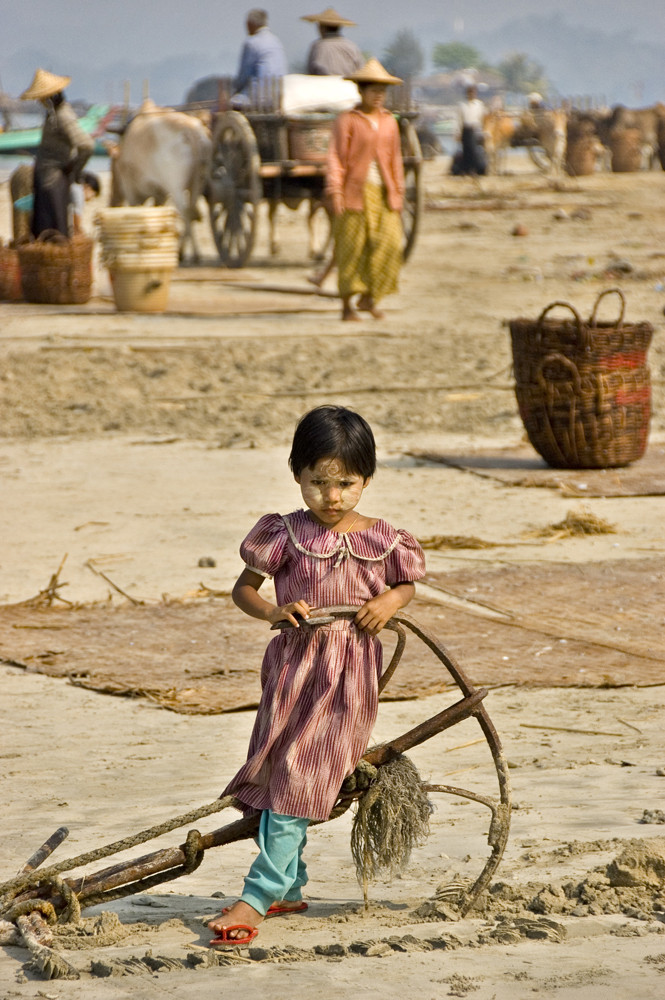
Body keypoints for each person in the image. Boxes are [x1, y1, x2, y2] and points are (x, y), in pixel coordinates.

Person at [207, 405, 425, 947]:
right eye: (318, 483)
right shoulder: (282, 533)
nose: (332, 497)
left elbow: (407, 584)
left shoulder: (385, 539)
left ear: (367, 479)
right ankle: (290, 886)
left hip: (348, 676)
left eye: (346, 483)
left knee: (302, 777)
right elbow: (244, 589)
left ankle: (257, 896)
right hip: (292, 669)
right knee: (282, 770)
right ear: (297, 475)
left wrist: (390, 602)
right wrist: (271, 613)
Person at [326, 58, 405, 322]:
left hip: (383, 193)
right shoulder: (347, 121)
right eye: (374, 91)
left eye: (382, 92)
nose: (379, 96)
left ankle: (370, 297)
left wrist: (399, 192)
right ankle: (347, 306)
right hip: (354, 193)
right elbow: (336, 157)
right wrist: (335, 190)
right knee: (352, 247)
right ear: (361, 92)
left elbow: (395, 159)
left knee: (389, 244)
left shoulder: (390, 122)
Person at [20, 68, 94, 239]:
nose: (39, 101)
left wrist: (73, 171)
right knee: (42, 228)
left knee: (53, 229)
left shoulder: (63, 116)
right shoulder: (53, 115)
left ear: (49, 98)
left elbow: (86, 145)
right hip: (46, 180)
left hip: (53, 183)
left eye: (41, 99)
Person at [233, 8, 287, 102]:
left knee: (220, 107)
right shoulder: (276, 41)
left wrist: (235, 90)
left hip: (257, 96)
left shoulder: (251, 43)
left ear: (250, 24)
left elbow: (243, 76)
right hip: (278, 94)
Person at [301, 6, 364, 77]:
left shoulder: (317, 46)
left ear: (322, 28)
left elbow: (311, 71)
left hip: (322, 84)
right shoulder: (351, 46)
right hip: (347, 84)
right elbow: (361, 70)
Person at [451, 83, 487, 177]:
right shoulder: (462, 105)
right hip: (466, 130)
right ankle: (466, 169)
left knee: (475, 151)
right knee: (466, 150)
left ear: (476, 93)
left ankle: (475, 169)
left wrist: (484, 131)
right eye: (470, 92)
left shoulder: (479, 105)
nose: (471, 94)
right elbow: (458, 120)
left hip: (475, 130)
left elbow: (483, 118)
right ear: (467, 93)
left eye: (473, 92)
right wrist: (457, 132)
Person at [70, 171, 101, 235]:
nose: (91, 198)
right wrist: (78, 231)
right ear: (88, 187)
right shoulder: (79, 193)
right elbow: (76, 214)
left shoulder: (74, 186)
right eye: (93, 194)